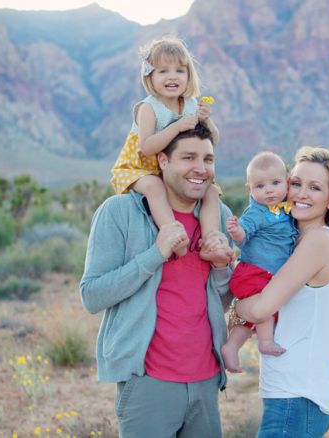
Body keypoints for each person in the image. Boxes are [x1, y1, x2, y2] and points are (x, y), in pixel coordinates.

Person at [80, 122, 234, 438]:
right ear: (162, 161)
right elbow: (92, 296)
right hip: (148, 382)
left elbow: (219, 299)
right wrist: (155, 254)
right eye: (188, 157)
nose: (200, 169)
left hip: (206, 379)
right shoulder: (120, 212)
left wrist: (221, 268)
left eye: (208, 159)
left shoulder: (217, 215)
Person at [235, 146, 329, 438]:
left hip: (297, 396)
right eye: (296, 183)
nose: (301, 193)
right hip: (288, 393)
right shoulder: (292, 241)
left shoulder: (317, 241)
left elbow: (259, 309)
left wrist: (236, 308)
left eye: (315, 188)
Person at [110, 36, 221, 261]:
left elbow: (214, 140)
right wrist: (177, 126)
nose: (172, 76)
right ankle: (173, 234)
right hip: (141, 167)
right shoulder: (149, 108)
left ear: (189, 75)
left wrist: (206, 121)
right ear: (150, 77)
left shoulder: (190, 104)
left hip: (172, 169)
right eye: (163, 71)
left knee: (210, 191)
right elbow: (147, 146)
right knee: (154, 186)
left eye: (179, 70)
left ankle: (212, 239)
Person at [221, 152, 298, 373]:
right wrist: (237, 232)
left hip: (262, 273)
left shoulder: (286, 208)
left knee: (250, 318)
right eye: (261, 186)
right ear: (250, 190)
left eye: (275, 183)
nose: (269, 190)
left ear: (287, 182)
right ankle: (265, 342)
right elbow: (245, 234)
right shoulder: (257, 212)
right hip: (254, 272)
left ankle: (232, 346)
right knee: (267, 306)